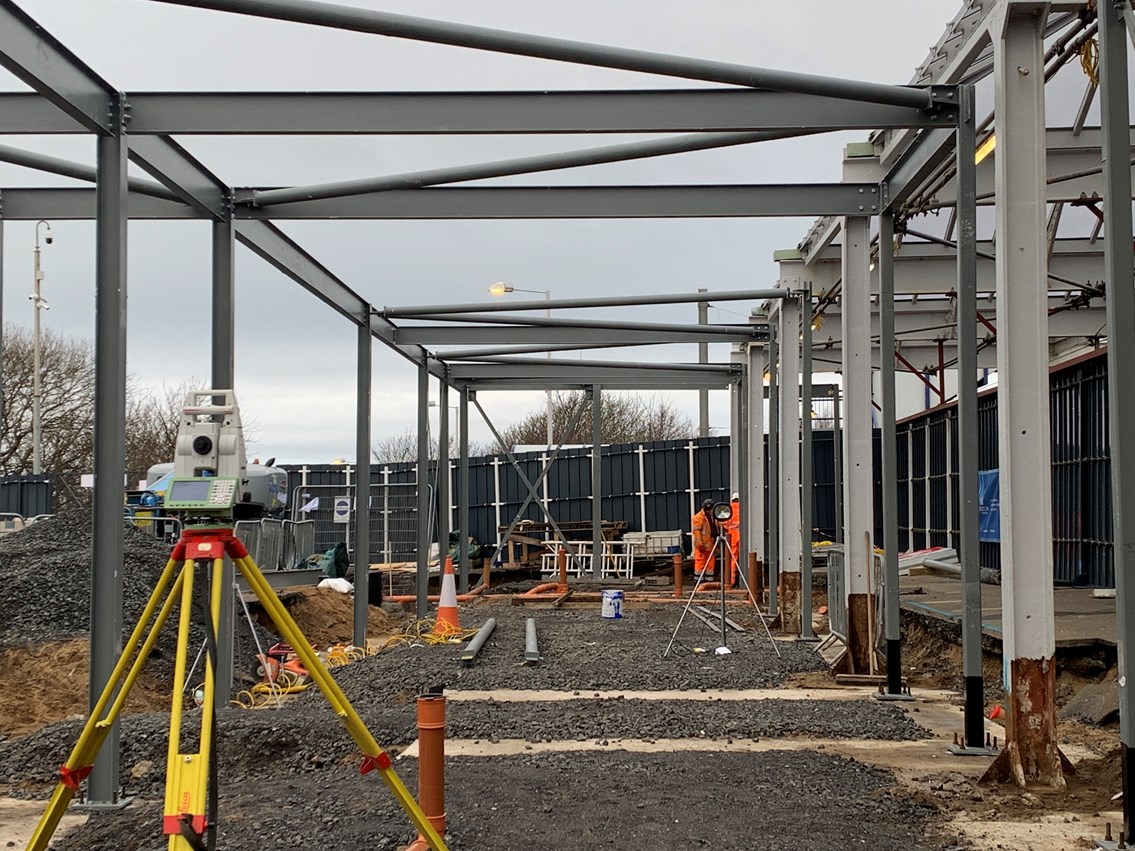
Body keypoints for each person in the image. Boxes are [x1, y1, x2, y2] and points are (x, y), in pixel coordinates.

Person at [691, 498, 718, 578]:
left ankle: (709, 580)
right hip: (702, 546)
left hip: (710, 545)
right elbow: (696, 532)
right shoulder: (698, 518)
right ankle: (698, 580)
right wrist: (700, 545)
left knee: (710, 563)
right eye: (708, 510)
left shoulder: (713, 517)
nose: (709, 511)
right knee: (700, 562)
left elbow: (715, 528)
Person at [725, 492, 741, 587]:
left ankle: (732, 580)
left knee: (732, 559)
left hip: (732, 538)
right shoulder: (744, 508)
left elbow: (724, 524)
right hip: (743, 538)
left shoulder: (728, 509)